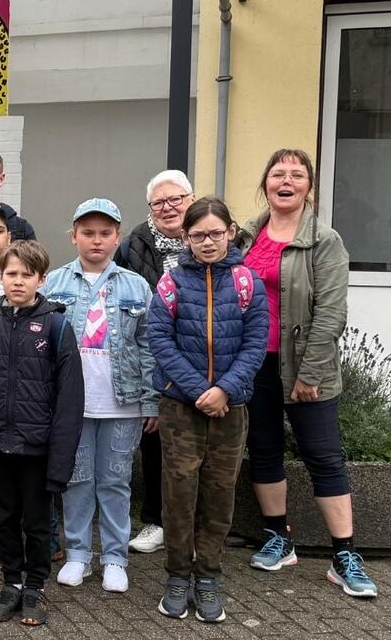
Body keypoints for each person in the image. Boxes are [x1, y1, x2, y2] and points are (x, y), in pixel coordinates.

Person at [238, 149, 375, 598]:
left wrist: (311, 371)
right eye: (278, 172)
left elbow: (332, 312)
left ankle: (344, 555)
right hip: (256, 364)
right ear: (266, 184)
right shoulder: (247, 239)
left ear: (308, 188)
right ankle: (279, 538)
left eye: (297, 174)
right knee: (264, 451)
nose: (287, 180)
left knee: (324, 458)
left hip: (304, 367)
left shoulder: (325, 240)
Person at [147, 197, 267, 623]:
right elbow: (159, 339)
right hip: (182, 408)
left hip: (231, 410)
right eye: (198, 235)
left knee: (219, 495)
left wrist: (225, 390)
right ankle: (178, 576)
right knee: (179, 495)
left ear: (231, 232)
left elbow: (256, 345)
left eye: (217, 233)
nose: (208, 242)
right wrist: (202, 390)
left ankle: (209, 576)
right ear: (185, 238)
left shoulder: (247, 282)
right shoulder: (171, 284)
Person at [0, 240, 83, 626]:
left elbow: (69, 401)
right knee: (4, 519)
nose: (17, 281)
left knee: (38, 522)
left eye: (26, 275)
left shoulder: (57, 326)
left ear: (41, 279)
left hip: (38, 449)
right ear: (1, 276)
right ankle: (11, 582)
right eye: (11, 273)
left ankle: (36, 586)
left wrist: (60, 461)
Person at [42, 199, 156, 595]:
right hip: (71, 403)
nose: (96, 240)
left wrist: (150, 399)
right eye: (87, 233)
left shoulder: (135, 285)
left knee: (114, 480)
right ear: (74, 235)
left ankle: (114, 558)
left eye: (105, 233)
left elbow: (148, 345)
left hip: (121, 401)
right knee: (76, 478)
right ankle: (77, 554)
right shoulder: (54, 283)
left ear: (117, 237)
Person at [116, 169, 194, 556]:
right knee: (155, 437)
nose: (168, 207)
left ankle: (195, 526)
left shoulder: (209, 237)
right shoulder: (133, 245)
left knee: (204, 443)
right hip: (153, 353)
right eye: (159, 202)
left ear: (191, 200)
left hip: (204, 353)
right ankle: (156, 520)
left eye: (176, 199)